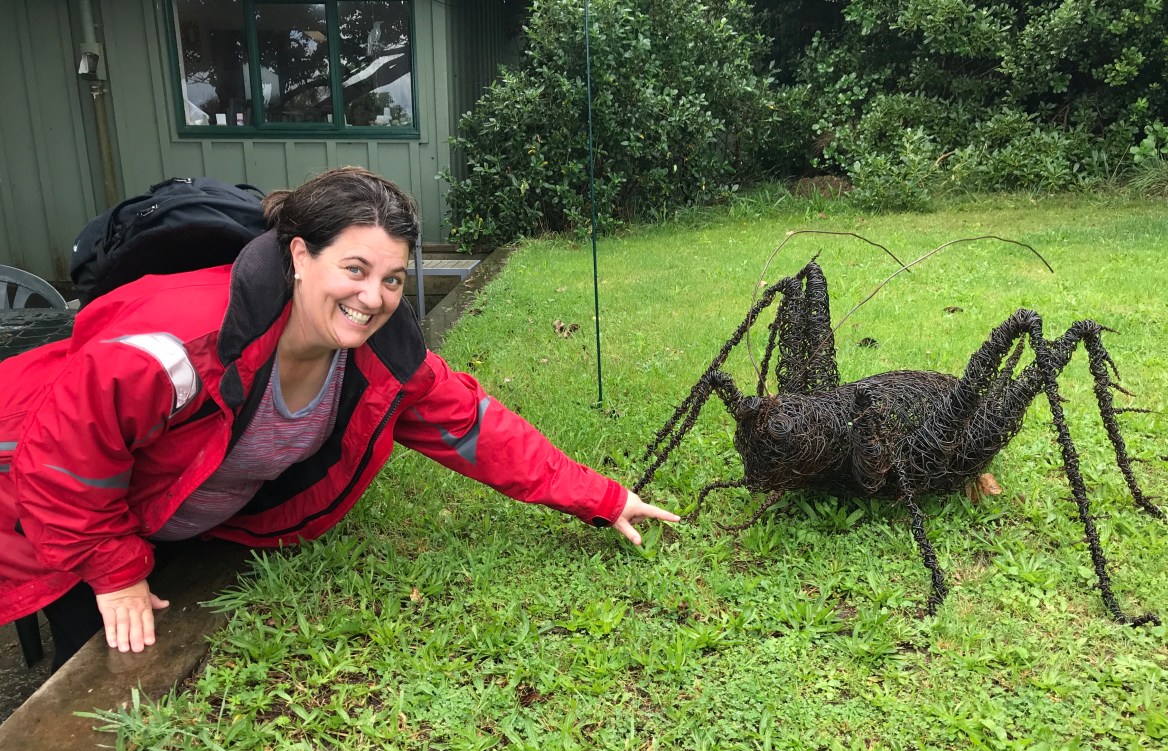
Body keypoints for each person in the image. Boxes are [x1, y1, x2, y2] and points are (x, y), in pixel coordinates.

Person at [0, 167, 676, 670]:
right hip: (34, 501)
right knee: (88, 685)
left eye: (391, 278)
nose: (373, 297)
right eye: (355, 268)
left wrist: (604, 497)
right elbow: (64, 448)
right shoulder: (183, 341)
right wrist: (115, 571)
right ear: (299, 255)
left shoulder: (380, 357)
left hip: (158, 513)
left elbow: (474, 427)